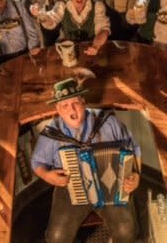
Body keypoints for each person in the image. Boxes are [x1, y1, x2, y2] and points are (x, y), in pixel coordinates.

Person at [31, 78, 141, 243]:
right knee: (56, 238)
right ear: (58, 110)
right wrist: (48, 176)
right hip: (71, 188)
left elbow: (134, 149)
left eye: (75, 102)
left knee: (127, 231)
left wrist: (136, 176)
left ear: (83, 102)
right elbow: (37, 163)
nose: (72, 109)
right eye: (65, 105)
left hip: (111, 184)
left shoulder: (108, 122)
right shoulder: (52, 134)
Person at [32, 0, 111, 56]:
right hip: (67, 51)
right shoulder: (62, 6)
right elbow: (51, 21)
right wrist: (40, 14)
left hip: (90, 49)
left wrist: (95, 46)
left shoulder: (97, 6)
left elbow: (103, 30)